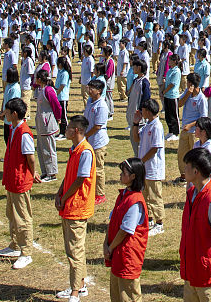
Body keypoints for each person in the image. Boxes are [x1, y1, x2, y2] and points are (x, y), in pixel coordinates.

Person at [179, 147, 211, 302]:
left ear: (196, 172)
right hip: (192, 270)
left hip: (208, 272)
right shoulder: (191, 194)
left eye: (187, 166)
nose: (184, 169)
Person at [55, 114, 96, 300]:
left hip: (77, 207)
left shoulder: (85, 151)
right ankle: (80, 285)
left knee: (75, 251)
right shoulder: (74, 149)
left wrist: (65, 197)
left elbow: (81, 179)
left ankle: (75, 292)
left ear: (77, 131)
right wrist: (60, 191)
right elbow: (70, 175)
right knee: (74, 248)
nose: (66, 129)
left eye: (69, 127)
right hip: (70, 205)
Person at [0, 96, 39, 269]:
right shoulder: (14, 127)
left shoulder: (24, 133)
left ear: (14, 114)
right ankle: (15, 245)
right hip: (12, 180)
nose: (4, 114)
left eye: (7, 111)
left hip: (20, 180)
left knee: (22, 217)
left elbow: (30, 157)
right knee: (11, 214)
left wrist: (33, 172)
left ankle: (26, 252)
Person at [105, 157, 149, 302]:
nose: (120, 175)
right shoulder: (123, 195)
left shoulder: (135, 201)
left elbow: (125, 230)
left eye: (124, 172)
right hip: (117, 253)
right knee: (116, 295)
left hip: (127, 256)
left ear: (133, 176)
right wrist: (106, 244)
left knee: (129, 296)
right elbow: (112, 222)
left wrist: (110, 248)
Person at [137, 98, 166, 234]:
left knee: (155, 196)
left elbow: (155, 147)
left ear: (148, 111)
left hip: (153, 168)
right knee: (145, 195)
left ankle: (159, 223)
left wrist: (142, 161)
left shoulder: (157, 126)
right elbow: (137, 138)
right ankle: (148, 219)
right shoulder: (147, 125)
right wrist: (135, 123)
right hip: (145, 168)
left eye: (143, 110)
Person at [84, 78, 110, 205]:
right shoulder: (90, 101)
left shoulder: (102, 105)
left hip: (97, 141)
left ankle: (100, 193)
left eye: (92, 88)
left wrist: (85, 135)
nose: (89, 90)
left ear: (99, 90)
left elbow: (97, 126)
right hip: (89, 139)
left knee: (98, 169)